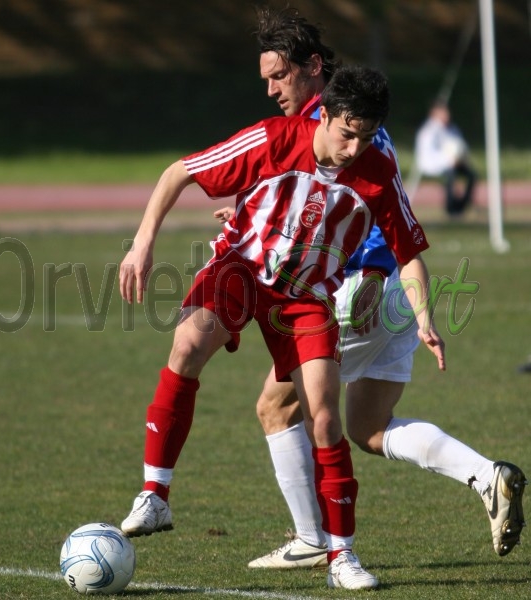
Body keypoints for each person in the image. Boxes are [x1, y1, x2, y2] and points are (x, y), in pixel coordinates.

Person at [213, 7, 526, 571]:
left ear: (312, 68)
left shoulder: (340, 125)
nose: (270, 88)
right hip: (394, 293)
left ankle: (313, 539)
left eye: (278, 75)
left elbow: (377, 208)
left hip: (360, 287)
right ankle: (487, 474)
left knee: (275, 406)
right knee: (370, 428)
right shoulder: (354, 118)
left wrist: (371, 278)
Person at [118, 64, 444, 591]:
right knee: (187, 344)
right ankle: (155, 495)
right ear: (327, 116)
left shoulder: (378, 171)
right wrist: (142, 242)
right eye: (345, 133)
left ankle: (342, 556)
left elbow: (409, 255)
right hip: (242, 268)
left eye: (364, 137)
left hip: (308, 296)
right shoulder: (272, 138)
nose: (353, 147)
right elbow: (179, 171)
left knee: (323, 418)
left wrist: (425, 319)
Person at [414, 100, 477, 217]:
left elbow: (461, 146)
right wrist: (448, 160)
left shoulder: (453, 129)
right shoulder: (428, 131)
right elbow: (427, 155)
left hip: (454, 163)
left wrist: (461, 159)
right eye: (443, 112)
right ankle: (451, 209)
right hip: (435, 165)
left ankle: (461, 206)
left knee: (472, 175)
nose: (446, 115)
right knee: (451, 175)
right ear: (434, 113)